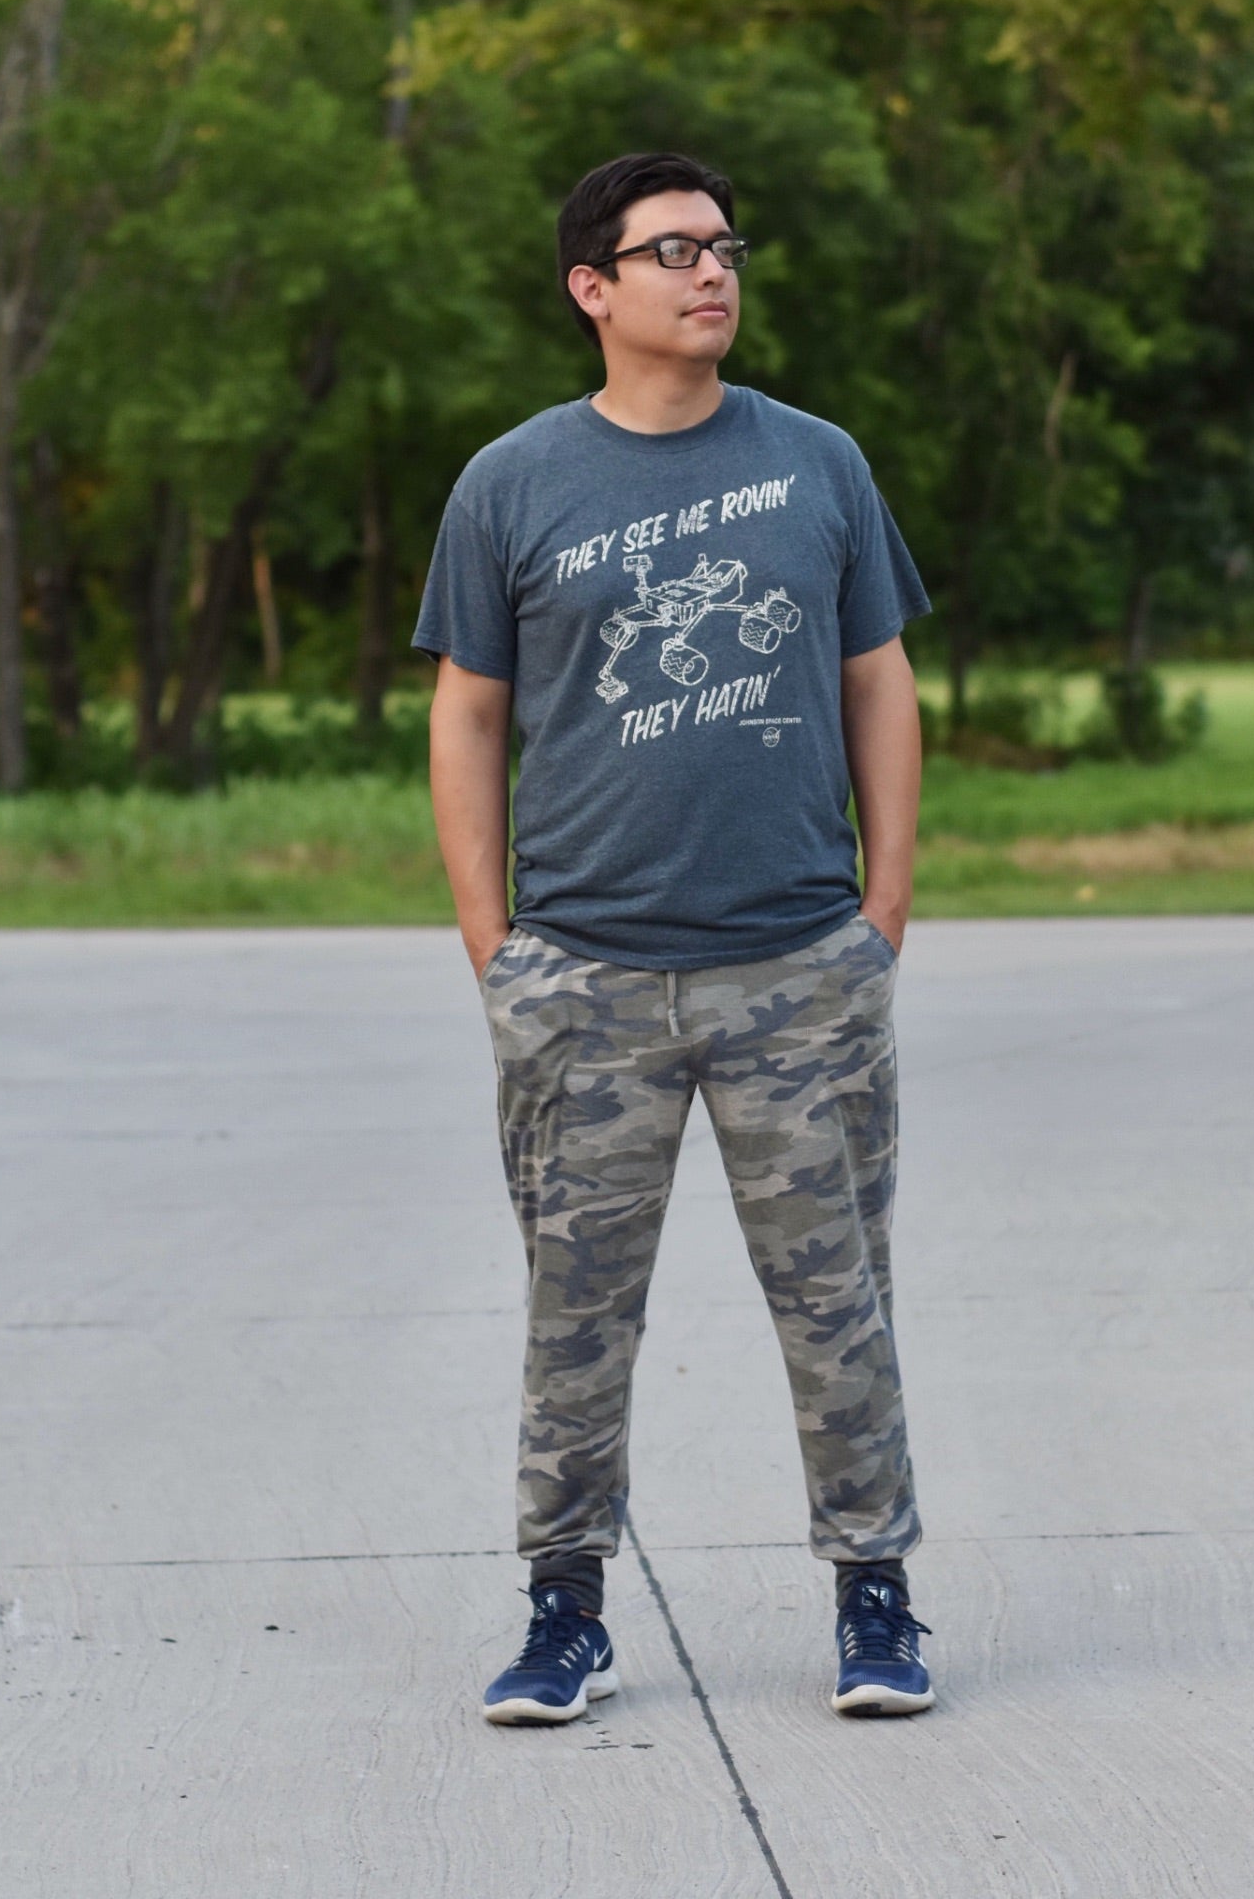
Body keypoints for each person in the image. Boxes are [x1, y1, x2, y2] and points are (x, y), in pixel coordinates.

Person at [414, 150, 934, 1726]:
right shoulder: (513, 484)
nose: (713, 272)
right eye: (675, 251)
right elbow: (468, 716)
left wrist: (883, 912)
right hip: (586, 982)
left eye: (725, 246)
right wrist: (496, 945)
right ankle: (563, 1612)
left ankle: (876, 1598)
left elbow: (878, 681)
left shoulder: (818, 462)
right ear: (593, 288)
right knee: (576, 1322)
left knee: (840, 1309)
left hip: (797, 968)